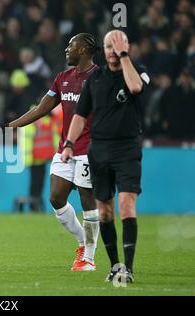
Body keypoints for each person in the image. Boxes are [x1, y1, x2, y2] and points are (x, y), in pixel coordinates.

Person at [0, 33, 101, 271]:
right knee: (56, 197)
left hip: (90, 149)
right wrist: (10, 126)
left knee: (88, 200)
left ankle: (89, 258)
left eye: (71, 46)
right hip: (65, 148)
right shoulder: (63, 78)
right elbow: (42, 109)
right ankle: (81, 242)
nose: (66, 50)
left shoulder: (100, 78)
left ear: (85, 49)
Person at [61, 30, 150, 283]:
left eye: (117, 46)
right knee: (105, 212)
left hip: (127, 149)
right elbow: (80, 115)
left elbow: (135, 87)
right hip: (98, 150)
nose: (112, 51)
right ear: (103, 49)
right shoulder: (95, 78)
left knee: (126, 205)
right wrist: (69, 143)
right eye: (108, 46)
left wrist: (124, 57)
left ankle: (128, 269)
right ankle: (114, 266)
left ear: (125, 46)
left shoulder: (137, 71)